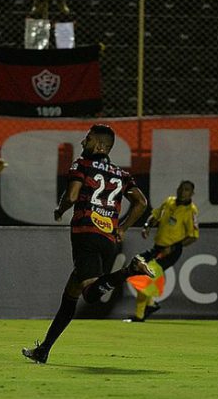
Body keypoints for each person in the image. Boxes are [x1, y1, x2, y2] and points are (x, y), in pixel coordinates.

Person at [22, 124, 154, 364]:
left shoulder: (81, 165)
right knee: (71, 294)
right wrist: (122, 228)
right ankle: (44, 350)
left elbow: (72, 196)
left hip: (86, 232)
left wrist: (59, 209)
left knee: (90, 294)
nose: (83, 143)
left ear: (101, 145)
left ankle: (131, 270)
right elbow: (141, 202)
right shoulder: (121, 174)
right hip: (108, 238)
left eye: (88, 139)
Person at [128, 180, 199, 322]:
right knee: (135, 265)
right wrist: (147, 225)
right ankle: (151, 304)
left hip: (170, 252)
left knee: (144, 278)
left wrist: (173, 247)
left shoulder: (191, 210)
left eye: (187, 189)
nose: (183, 191)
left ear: (192, 193)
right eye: (181, 188)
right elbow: (155, 215)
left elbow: (193, 236)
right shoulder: (169, 202)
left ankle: (139, 315)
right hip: (157, 248)